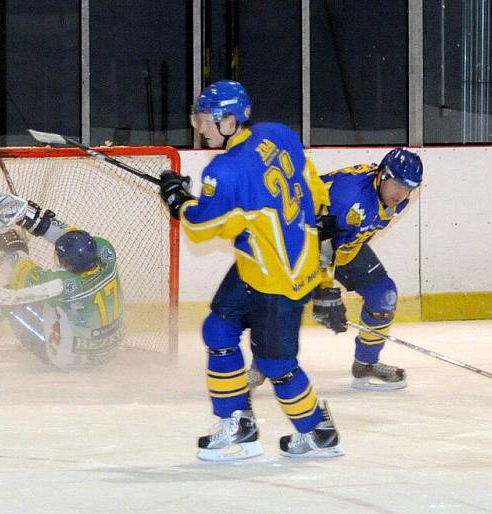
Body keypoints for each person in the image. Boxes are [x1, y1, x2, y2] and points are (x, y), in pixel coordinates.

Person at [158, 80, 344, 461]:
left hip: (279, 277)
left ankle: (318, 430)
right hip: (264, 262)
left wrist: (177, 200)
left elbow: (202, 226)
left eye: (206, 121)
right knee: (219, 327)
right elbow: (312, 186)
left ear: (229, 121)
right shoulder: (276, 133)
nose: (200, 128)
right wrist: (323, 259)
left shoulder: (225, 170)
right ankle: (238, 424)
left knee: (277, 364)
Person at [249, 149, 423, 391]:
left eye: (408, 188)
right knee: (288, 302)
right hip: (299, 242)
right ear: (382, 175)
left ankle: (365, 364)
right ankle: (262, 365)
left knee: (384, 295)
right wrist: (325, 290)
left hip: (341, 246)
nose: (400, 193)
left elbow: (344, 238)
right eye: (396, 184)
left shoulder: (397, 199)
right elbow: (321, 240)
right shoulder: (350, 196)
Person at [0, 218, 125, 370]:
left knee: (11, 298)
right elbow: (73, 234)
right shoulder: (107, 252)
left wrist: (15, 249)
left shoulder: (59, 284)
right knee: (55, 305)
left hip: (67, 361)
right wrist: (36, 222)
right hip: (109, 352)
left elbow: (22, 274)